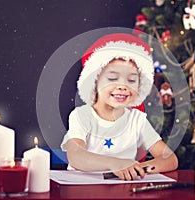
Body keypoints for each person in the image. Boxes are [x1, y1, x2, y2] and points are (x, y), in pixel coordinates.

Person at [61, 33, 178, 180]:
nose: (123, 86)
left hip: (122, 191)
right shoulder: (82, 115)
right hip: (83, 189)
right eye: (112, 78)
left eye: (131, 80)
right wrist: (114, 164)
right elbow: (75, 156)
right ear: (95, 81)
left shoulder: (137, 120)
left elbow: (170, 159)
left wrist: (135, 169)